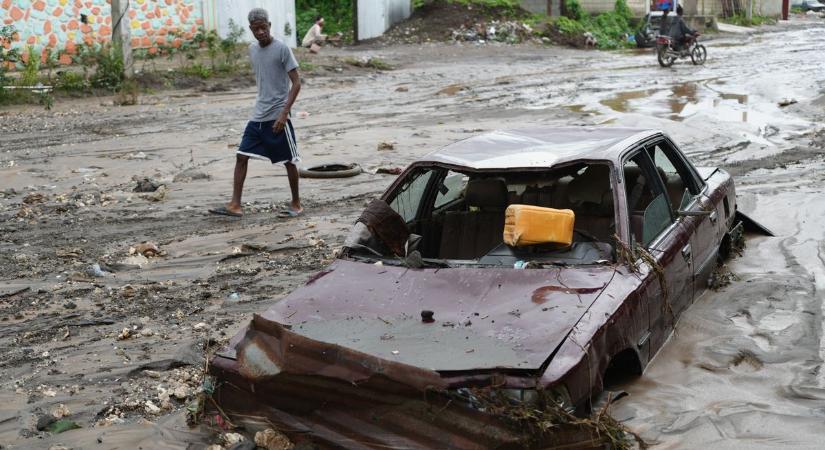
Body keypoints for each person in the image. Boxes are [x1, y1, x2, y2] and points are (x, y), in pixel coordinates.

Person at [210, 8, 303, 218]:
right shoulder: (252, 50)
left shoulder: (282, 49)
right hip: (258, 116)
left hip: (278, 117)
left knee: (289, 161)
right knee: (241, 156)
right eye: (255, 29)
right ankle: (235, 205)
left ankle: (296, 204)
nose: (260, 32)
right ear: (251, 29)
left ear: (269, 26)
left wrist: (283, 114)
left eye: (263, 27)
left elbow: (296, 83)